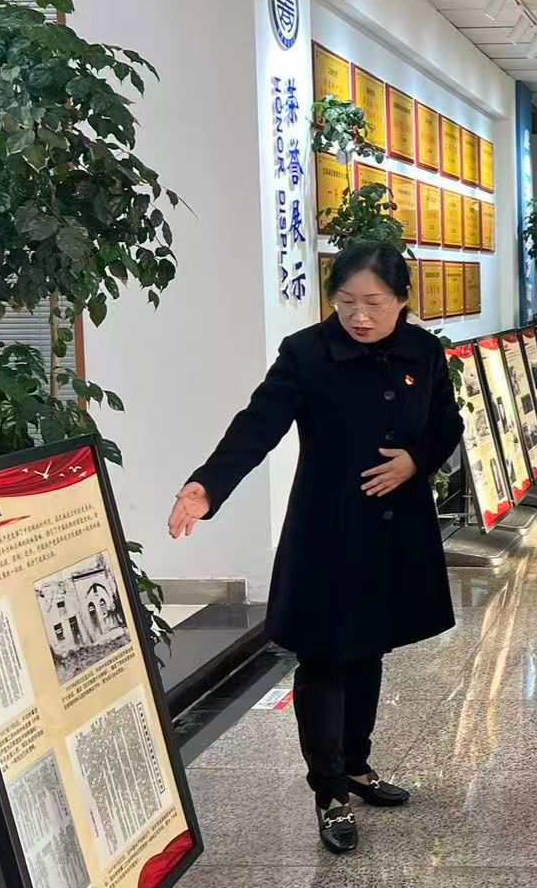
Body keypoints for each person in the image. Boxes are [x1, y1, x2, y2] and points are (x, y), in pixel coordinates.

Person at [168, 242, 463, 855]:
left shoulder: (423, 351)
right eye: (346, 301)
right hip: (329, 531)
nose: (359, 315)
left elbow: (446, 424)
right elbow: (258, 425)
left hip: (392, 530)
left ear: (402, 300)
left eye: (374, 302)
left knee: (370, 647)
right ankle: (329, 792)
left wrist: (415, 461)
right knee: (326, 657)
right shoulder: (307, 354)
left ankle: (356, 765)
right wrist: (208, 485)